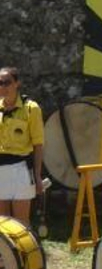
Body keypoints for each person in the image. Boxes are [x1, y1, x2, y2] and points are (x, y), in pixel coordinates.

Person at [0, 67, 44, 224]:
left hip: (20, 169)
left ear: (17, 84)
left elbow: (38, 144)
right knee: (2, 224)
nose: (2, 87)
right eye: (0, 83)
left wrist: (38, 176)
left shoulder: (31, 109)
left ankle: (24, 249)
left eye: (7, 83)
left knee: (20, 223)